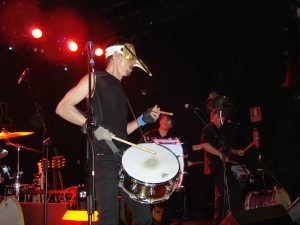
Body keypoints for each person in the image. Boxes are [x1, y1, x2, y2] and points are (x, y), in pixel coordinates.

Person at [55, 38, 162, 225]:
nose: (132, 67)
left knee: (144, 216)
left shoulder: (121, 90)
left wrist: (142, 120)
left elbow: (121, 132)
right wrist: (92, 126)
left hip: (125, 158)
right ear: (118, 56)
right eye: (130, 62)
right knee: (109, 218)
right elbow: (63, 107)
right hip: (104, 158)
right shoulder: (94, 78)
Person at [194, 94, 252, 225]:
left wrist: (236, 151)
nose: (224, 120)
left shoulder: (219, 132)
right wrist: (220, 155)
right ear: (215, 115)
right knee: (228, 192)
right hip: (216, 164)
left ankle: (226, 220)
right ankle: (223, 220)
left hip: (223, 165)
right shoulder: (208, 128)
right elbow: (205, 145)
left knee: (226, 194)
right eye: (222, 117)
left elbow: (225, 148)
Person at [138, 114, 185, 225]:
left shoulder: (174, 139)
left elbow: (180, 157)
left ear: (171, 125)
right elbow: (138, 151)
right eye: (164, 118)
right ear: (159, 120)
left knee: (172, 197)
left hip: (167, 173)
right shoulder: (149, 135)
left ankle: (165, 222)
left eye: (169, 121)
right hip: (151, 171)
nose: (165, 121)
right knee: (146, 198)